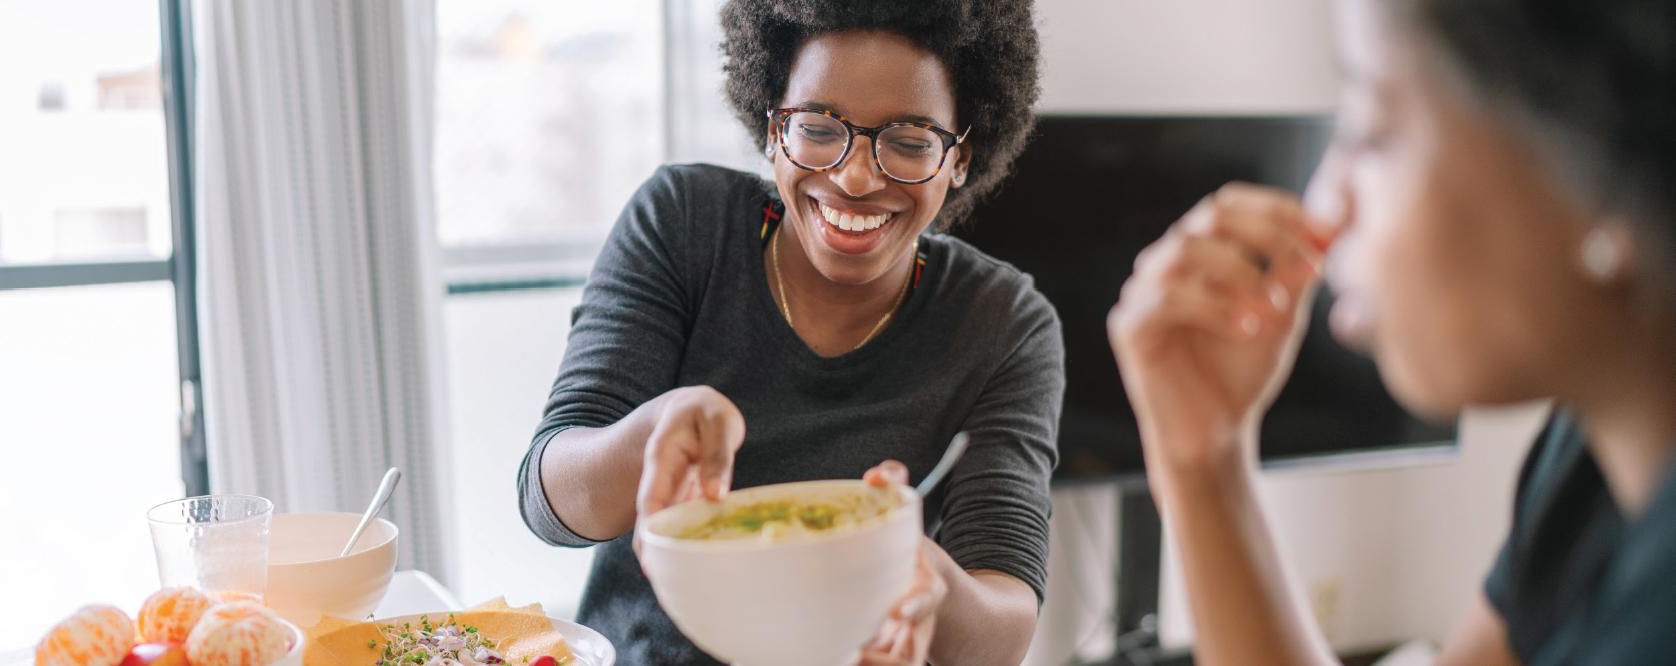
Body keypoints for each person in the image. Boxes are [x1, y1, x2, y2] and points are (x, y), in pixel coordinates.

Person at [1109, 0, 1676, 663]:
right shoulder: (1590, 458)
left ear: (1605, 168)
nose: (1324, 205)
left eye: (1373, 129)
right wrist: (1203, 457)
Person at [516, 1, 1062, 663]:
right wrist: (650, 433)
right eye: (818, 128)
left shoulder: (1001, 321)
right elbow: (550, 504)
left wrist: (905, 564)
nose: (855, 177)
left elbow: (1003, 629)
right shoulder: (685, 224)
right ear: (773, 127)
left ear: (961, 158)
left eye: (911, 140)